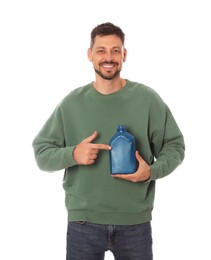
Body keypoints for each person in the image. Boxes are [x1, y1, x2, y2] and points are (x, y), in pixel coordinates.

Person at [32, 22, 185, 260]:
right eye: (101, 50)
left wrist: (151, 172)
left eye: (115, 50)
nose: (109, 57)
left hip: (135, 224)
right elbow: (42, 153)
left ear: (124, 55)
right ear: (90, 54)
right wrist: (72, 154)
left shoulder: (147, 99)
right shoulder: (72, 103)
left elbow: (174, 145)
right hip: (83, 223)